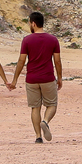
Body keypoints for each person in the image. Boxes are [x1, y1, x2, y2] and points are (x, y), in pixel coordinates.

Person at [9, 11, 62, 143]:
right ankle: (46, 121)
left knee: (35, 107)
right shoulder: (53, 40)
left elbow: (21, 61)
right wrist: (60, 77)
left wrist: (15, 80)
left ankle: (38, 136)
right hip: (47, 77)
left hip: (32, 78)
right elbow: (57, 61)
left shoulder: (27, 40)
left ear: (33, 23)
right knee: (51, 105)